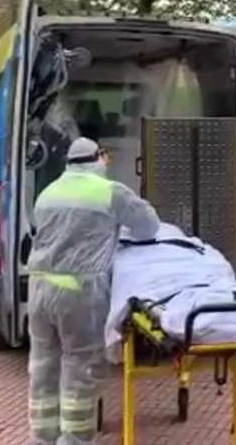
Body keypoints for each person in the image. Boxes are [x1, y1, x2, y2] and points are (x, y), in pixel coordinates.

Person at [27, 137, 160, 445]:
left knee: (43, 365)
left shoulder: (48, 193)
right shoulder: (109, 191)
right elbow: (148, 226)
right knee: (81, 366)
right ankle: (76, 439)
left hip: (38, 287)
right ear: (97, 158)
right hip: (78, 292)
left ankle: (42, 437)